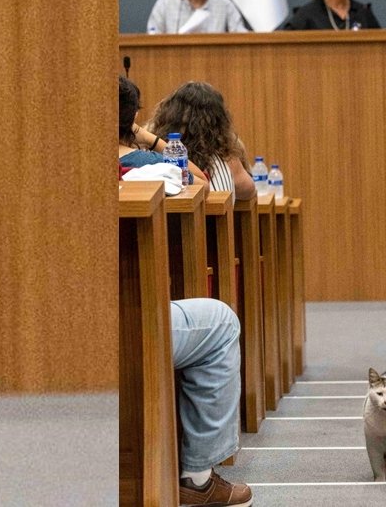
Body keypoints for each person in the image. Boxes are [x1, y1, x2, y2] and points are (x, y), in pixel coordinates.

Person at [118, 76, 254, 507]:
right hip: (127, 320)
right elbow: (199, 184)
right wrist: (148, 139)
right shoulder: (144, 164)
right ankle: (196, 476)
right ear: (132, 118)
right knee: (219, 321)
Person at [147, 82, 257, 200]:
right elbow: (248, 191)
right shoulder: (225, 154)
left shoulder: (151, 146)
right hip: (214, 217)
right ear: (219, 120)